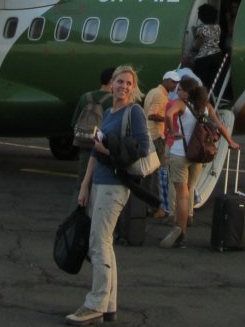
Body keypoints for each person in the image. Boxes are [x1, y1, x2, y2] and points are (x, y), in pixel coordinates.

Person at [68, 65, 152, 326]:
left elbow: (143, 148)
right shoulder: (109, 113)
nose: (123, 86)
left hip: (115, 185)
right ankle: (109, 305)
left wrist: (107, 151)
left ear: (133, 87)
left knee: (98, 244)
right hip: (99, 184)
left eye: (129, 83)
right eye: (119, 81)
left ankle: (95, 304)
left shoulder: (134, 112)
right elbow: (94, 151)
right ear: (111, 84)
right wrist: (84, 185)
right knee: (105, 245)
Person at [160, 77, 239, 249]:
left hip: (180, 153)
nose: (178, 92)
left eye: (180, 89)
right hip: (197, 155)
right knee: (190, 188)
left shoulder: (181, 104)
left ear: (187, 92)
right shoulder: (205, 107)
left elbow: (167, 114)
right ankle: (188, 217)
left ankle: (181, 232)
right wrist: (231, 142)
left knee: (181, 194)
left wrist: (172, 131)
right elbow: (219, 125)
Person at [71, 67, 115, 188]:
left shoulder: (85, 97)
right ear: (112, 81)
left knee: (82, 179)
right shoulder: (113, 101)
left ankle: (78, 203)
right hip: (102, 146)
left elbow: (74, 122)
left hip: (85, 142)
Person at [143, 70, 177, 218]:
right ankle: (155, 206)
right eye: (173, 82)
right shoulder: (160, 95)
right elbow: (151, 114)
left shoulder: (153, 91)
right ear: (166, 80)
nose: (175, 85)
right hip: (156, 136)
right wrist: (168, 120)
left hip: (149, 134)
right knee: (158, 173)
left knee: (149, 172)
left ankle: (145, 204)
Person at [184, 4, 225, 93]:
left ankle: (200, 97)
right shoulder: (217, 27)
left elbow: (200, 41)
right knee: (213, 80)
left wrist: (193, 49)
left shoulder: (201, 28)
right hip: (217, 55)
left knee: (201, 80)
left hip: (204, 57)